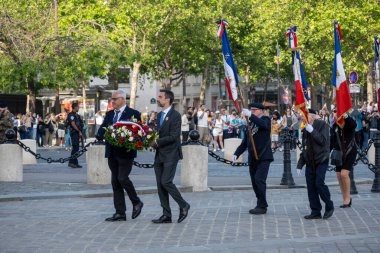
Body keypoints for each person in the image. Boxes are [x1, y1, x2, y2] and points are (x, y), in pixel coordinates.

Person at [96, 89, 144, 222]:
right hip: (112, 152)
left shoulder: (134, 114)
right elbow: (101, 131)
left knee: (122, 178)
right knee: (115, 182)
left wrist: (126, 137)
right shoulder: (110, 114)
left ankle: (136, 202)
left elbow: (138, 134)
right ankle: (120, 212)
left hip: (126, 153)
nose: (112, 102)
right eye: (112, 99)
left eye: (115, 99)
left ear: (123, 99)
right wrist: (102, 134)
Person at [150, 89, 190, 224]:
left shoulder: (175, 115)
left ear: (167, 99)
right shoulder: (159, 115)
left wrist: (157, 142)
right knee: (160, 185)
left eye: (160, 97)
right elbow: (156, 132)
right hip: (159, 154)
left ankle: (183, 205)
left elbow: (173, 136)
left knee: (166, 182)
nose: (158, 99)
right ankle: (166, 215)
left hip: (171, 154)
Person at [233, 102, 273, 215]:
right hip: (253, 157)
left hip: (264, 156)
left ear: (261, 110)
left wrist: (251, 115)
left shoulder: (265, 119)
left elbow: (263, 125)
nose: (253, 111)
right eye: (251, 110)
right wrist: (237, 153)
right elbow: (245, 142)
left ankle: (262, 205)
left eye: (255, 110)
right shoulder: (250, 124)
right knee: (254, 182)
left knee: (259, 179)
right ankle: (259, 203)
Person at [296, 109, 334, 220]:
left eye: (304, 116)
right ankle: (315, 211)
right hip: (310, 161)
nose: (302, 118)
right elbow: (305, 148)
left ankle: (329, 205)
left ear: (311, 116)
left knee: (319, 183)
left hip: (321, 159)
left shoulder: (322, 125)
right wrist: (300, 164)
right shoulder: (306, 128)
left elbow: (323, 141)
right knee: (311, 187)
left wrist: (312, 130)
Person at [331, 115, 357, 208]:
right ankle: (345, 198)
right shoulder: (335, 125)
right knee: (339, 175)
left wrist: (346, 116)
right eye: (334, 112)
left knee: (344, 174)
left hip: (350, 151)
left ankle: (347, 198)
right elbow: (332, 140)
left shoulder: (349, 122)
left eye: (337, 112)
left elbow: (353, 125)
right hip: (339, 153)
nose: (336, 114)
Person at [67, 103, 83, 168]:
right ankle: (71, 162)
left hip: (77, 133)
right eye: (78, 107)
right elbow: (73, 124)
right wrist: (79, 131)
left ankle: (75, 162)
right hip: (74, 133)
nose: (78, 108)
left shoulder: (77, 115)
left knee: (77, 148)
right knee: (75, 148)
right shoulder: (71, 115)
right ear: (75, 107)